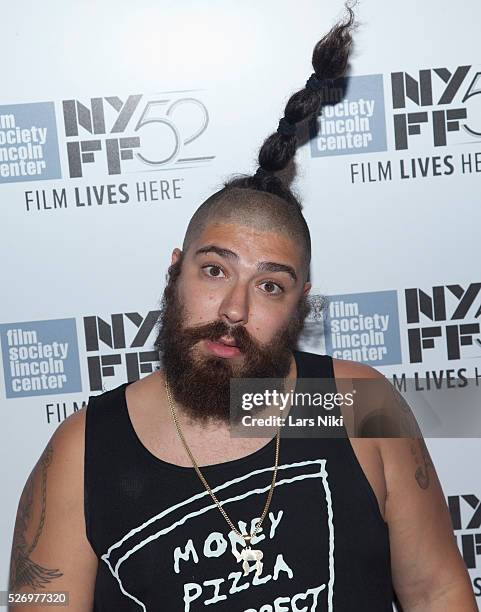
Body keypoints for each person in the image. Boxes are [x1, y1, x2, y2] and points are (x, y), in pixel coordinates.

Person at [8, 5, 477, 611]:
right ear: (175, 269)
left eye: (270, 286)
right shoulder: (87, 449)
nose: (233, 309)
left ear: (300, 303)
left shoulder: (346, 408)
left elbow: (437, 590)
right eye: (214, 270)